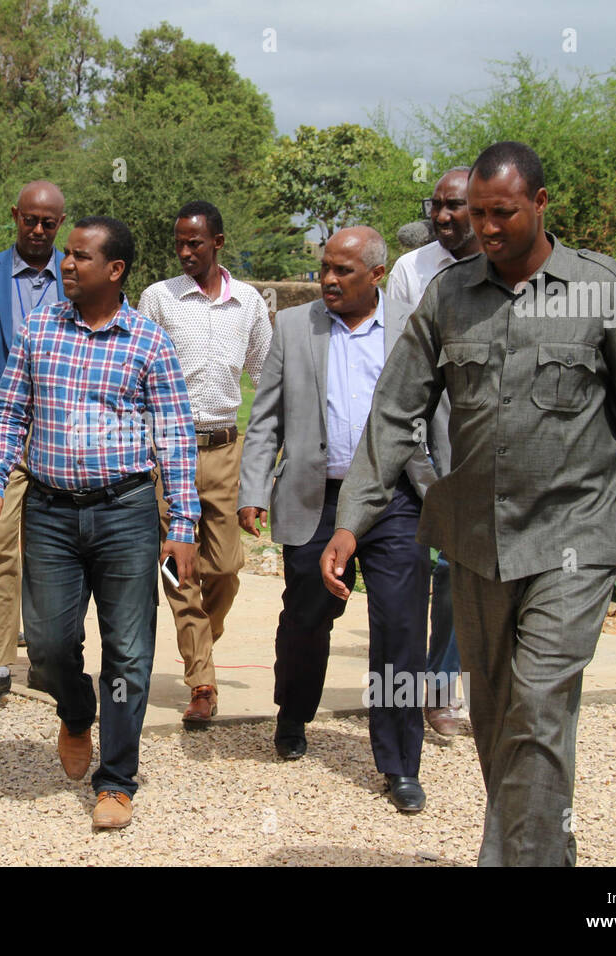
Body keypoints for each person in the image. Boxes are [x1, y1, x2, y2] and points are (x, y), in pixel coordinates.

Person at [322, 142, 616, 865]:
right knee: (500, 722)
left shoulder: (600, 289)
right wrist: (352, 522)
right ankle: (544, 850)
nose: (488, 228)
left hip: (574, 541)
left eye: (503, 213)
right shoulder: (450, 295)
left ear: (539, 205)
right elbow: (395, 413)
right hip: (477, 546)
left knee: (536, 705)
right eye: (477, 214)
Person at [0, 216, 200, 829]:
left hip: (126, 514)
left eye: (79, 256)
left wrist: (183, 524)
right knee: (47, 648)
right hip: (49, 511)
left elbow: (176, 440)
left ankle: (117, 780)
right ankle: (76, 713)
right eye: (66, 256)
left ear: (116, 270)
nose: (65, 265)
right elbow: (9, 412)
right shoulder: (39, 330)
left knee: (129, 653)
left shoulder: (149, 342)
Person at [238, 227, 439, 813]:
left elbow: (440, 411)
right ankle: (294, 711)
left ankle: (401, 762)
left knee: (401, 630)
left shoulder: (414, 324)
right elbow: (266, 417)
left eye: (343, 271)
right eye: (324, 268)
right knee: (307, 615)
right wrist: (253, 487)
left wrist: (449, 490)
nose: (328, 279)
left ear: (376, 275)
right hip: (315, 497)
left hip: (398, 499)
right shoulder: (296, 327)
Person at [137, 200, 272, 724]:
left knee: (228, 570)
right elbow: (138, 372)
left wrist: (273, 447)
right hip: (170, 449)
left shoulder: (250, 302)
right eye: (179, 244)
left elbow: (267, 375)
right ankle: (202, 681)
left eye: (195, 243)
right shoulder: (158, 300)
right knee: (180, 567)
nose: (186, 252)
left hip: (226, 449)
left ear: (218, 241)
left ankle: (201, 646)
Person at [0, 181, 67, 702]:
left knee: (53, 560)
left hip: (66, 445)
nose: (39, 230)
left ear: (60, 224)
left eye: (49, 222)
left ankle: (50, 659)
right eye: (30, 220)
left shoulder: (78, 270)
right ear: (15, 216)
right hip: (1, 443)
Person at [386, 167, 478, 737]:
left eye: (455, 206)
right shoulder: (411, 272)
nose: (441, 217)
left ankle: (455, 678)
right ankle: (433, 688)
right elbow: (398, 368)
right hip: (430, 437)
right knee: (436, 563)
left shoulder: (510, 266)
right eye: (435, 206)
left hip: (490, 440)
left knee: (467, 568)